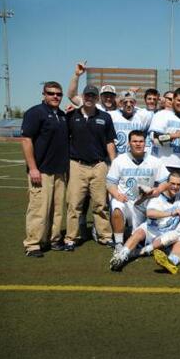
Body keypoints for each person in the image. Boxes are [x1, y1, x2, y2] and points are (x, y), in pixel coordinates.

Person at [64, 84, 117, 250]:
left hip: (99, 165)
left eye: (93, 96)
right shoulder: (71, 115)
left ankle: (105, 236)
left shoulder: (105, 117)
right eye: (87, 95)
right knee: (74, 204)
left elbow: (109, 142)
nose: (89, 98)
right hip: (77, 165)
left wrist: (114, 164)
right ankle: (71, 238)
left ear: (97, 98)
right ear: (82, 96)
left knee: (101, 204)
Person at [21, 81, 69, 257]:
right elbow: (26, 140)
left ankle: (54, 239)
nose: (55, 96)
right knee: (39, 209)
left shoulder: (62, 115)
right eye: (51, 93)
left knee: (57, 210)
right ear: (44, 94)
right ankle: (33, 244)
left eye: (58, 94)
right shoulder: (35, 113)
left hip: (59, 171)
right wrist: (33, 168)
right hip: (41, 171)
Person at [109, 172, 180, 271]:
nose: (175, 187)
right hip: (151, 228)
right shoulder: (157, 196)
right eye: (172, 184)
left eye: (178, 184)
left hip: (164, 235)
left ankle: (138, 252)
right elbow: (150, 213)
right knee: (140, 231)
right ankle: (121, 256)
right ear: (167, 183)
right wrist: (171, 213)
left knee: (174, 235)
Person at [106, 130, 169, 248]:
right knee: (117, 208)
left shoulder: (155, 161)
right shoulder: (119, 161)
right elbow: (110, 183)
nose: (138, 144)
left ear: (145, 143)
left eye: (141, 141)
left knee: (139, 239)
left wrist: (157, 190)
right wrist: (117, 195)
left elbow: (165, 182)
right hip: (125, 200)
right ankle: (119, 243)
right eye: (134, 141)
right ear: (129, 143)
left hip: (145, 201)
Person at [149, 87, 180, 172]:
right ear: (173, 100)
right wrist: (175, 135)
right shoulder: (161, 115)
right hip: (162, 165)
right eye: (179, 100)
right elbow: (156, 140)